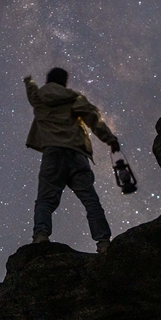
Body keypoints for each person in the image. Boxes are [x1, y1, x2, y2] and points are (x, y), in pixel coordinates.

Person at [23, 67, 119, 254]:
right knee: (90, 200)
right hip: (76, 152)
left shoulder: (39, 97)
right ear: (64, 82)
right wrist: (110, 139)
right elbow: (93, 120)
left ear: (48, 80)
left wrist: (29, 81)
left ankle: (41, 235)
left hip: (52, 152)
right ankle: (103, 243)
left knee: (44, 199)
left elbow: (31, 90)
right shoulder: (74, 97)